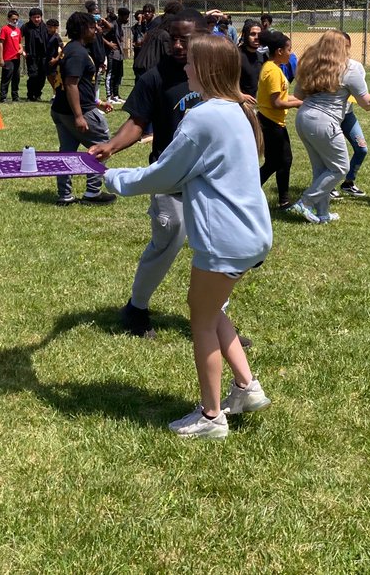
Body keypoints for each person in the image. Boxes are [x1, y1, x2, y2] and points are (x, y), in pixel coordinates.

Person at [104, 34, 272, 439]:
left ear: (209, 69)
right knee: (210, 310)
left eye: (192, 62)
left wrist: (113, 179)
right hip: (252, 233)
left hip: (225, 238)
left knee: (201, 321)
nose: (185, 68)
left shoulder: (203, 116)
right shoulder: (236, 109)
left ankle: (211, 416)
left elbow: (166, 173)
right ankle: (247, 388)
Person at [89, 9, 209, 337]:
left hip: (209, 178)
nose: (178, 45)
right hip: (170, 175)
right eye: (173, 38)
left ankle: (215, 320)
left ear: (204, 35)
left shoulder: (215, 71)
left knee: (215, 248)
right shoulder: (154, 77)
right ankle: (136, 308)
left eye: (186, 38)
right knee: (167, 240)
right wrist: (111, 146)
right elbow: (138, 121)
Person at [290, 31, 370, 224]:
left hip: (304, 118)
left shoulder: (309, 65)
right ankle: (305, 202)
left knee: (322, 169)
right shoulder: (349, 68)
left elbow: (298, 95)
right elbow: (366, 103)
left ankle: (323, 214)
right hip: (325, 122)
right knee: (340, 168)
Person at [51, 11, 117, 206]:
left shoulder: (73, 49)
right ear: (82, 29)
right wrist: (80, 116)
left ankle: (65, 195)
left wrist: (98, 102)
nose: (96, 29)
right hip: (77, 112)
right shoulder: (78, 53)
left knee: (67, 152)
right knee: (102, 145)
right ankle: (92, 193)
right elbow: (71, 84)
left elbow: (79, 86)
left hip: (63, 109)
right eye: (91, 26)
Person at [257, 31, 302, 209]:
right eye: (288, 49)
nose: (291, 53)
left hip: (272, 122)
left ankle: (281, 199)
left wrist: (300, 100)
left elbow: (282, 96)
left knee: (277, 162)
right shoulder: (272, 71)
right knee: (280, 161)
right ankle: (282, 200)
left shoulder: (272, 68)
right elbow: (276, 103)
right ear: (279, 51)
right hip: (270, 123)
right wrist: (298, 103)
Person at [337, 33, 369, 199]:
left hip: (347, 115)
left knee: (361, 149)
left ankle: (348, 183)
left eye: (347, 45)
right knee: (333, 155)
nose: (345, 49)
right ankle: (327, 187)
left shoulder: (356, 67)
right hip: (331, 118)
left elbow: (361, 93)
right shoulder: (324, 67)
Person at [20, 7, 51, 101]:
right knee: (33, 75)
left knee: (42, 76)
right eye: (34, 17)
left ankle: (38, 94)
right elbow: (18, 38)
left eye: (38, 17)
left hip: (44, 56)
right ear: (30, 18)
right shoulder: (26, 27)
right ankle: (30, 95)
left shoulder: (45, 27)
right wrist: (22, 51)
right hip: (31, 55)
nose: (37, 19)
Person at [0, 9, 24, 103]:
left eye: (17, 19)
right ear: (8, 19)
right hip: (7, 58)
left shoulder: (18, 30)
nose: (15, 21)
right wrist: (1, 58)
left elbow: (19, 42)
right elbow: (1, 43)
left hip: (16, 58)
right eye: (13, 19)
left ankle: (15, 96)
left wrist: (21, 49)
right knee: (6, 77)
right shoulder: (5, 29)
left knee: (16, 78)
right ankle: (3, 97)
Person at [238, 19, 263, 100]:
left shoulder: (260, 56)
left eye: (259, 34)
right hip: (236, 103)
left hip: (253, 104)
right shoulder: (235, 55)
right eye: (253, 34)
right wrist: (240, 95)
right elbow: (225, 82)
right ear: (245, 35)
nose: (257, 37)